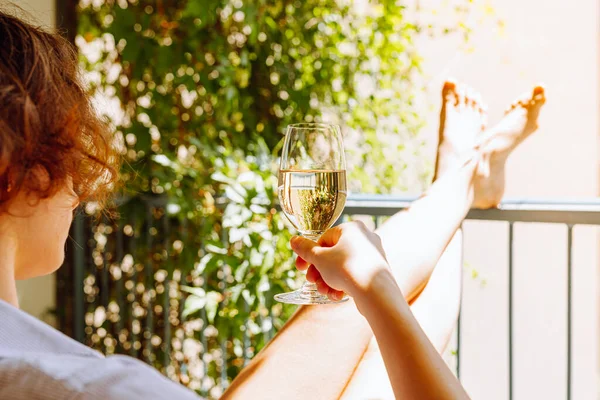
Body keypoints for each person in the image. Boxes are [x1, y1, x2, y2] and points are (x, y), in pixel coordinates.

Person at [0, 8, 545, 400]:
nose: (78, 182)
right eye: (64, 150)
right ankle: (464, 176)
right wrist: (376, 287)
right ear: (21, 168)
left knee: (380, 320)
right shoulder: (87, 386)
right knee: (375, 293)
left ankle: (459, 179)